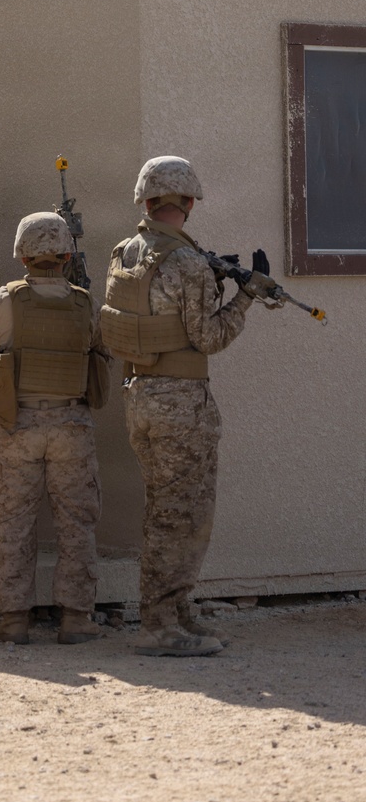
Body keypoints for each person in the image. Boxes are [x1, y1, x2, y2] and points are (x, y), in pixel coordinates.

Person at [101, 155, 260, 657]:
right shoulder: (186, 263)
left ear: (146, 200)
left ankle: (176, 611)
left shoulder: (125, 252)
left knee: (167, 510)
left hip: (141, 396)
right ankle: (158, 625)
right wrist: (244, 297)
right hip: (179, 403)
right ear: (189, 202)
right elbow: (208, 337)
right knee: (182, 514)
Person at [0, 211, 110, 646]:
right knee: (76, 523)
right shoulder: (86, 303)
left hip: (18, 425)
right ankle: (76, 618)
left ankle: (13, 620)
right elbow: (99, 349)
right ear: (68, 253)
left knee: (11, 522)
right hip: (71, 424)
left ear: (21, 254)